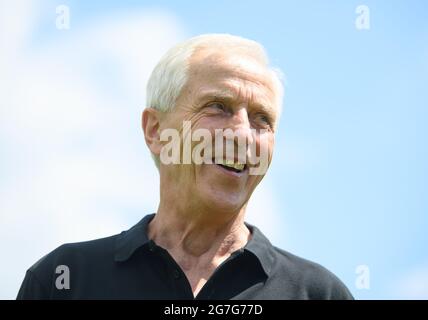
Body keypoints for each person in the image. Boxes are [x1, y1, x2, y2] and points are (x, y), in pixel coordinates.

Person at [17, 34, 353, 299]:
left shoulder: (318, 294)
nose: (242, 134)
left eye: (261, 119)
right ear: (155, 131)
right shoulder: (63, 280)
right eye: (218, 106)